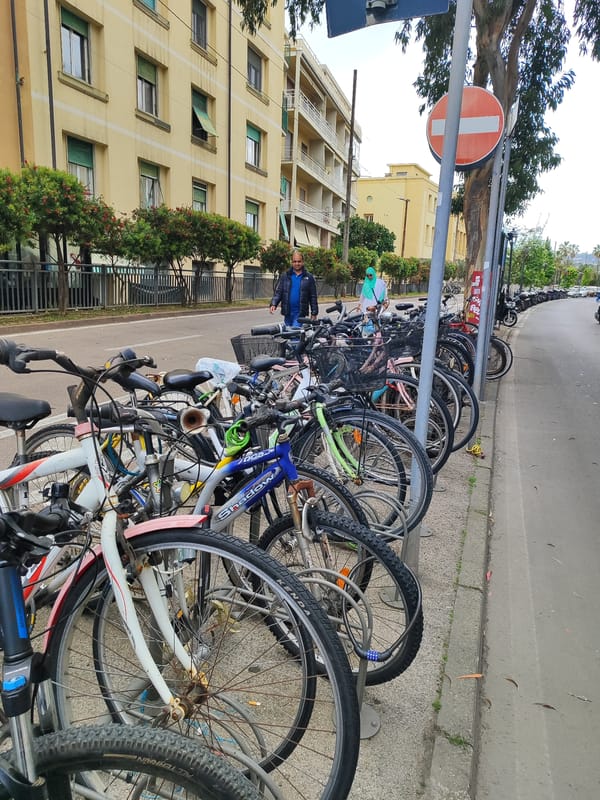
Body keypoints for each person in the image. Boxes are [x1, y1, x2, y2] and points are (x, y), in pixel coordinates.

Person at [270, 250, 318, 327]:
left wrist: (314, 312)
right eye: (294, 261)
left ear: (303, 262)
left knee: (294, 334)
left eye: (299, 261)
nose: (297, 264)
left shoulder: (309, 277)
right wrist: (273, 303)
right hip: (288, 312)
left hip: (300, 313)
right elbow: (279, 292)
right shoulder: (285, 276)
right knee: (288, 334)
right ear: (292, 262)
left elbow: (313, 296)